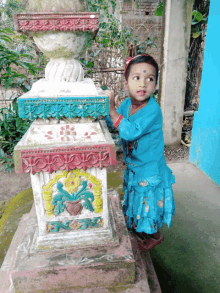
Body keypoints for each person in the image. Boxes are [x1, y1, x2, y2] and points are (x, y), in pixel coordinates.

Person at [104, 54, 175, 251]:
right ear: (126, 83)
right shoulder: (127, 104)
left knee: (149, 202)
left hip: (149, 168)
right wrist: (107, 110)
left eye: (149, 79)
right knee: (137, 198)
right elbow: (115, 122)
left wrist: (112, 111)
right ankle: (139, 225)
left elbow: (130, 131)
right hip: (135, 165)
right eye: (136, 78)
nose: (143, 83)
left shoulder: (153, 110)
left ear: (155, 85)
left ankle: (155, 236)